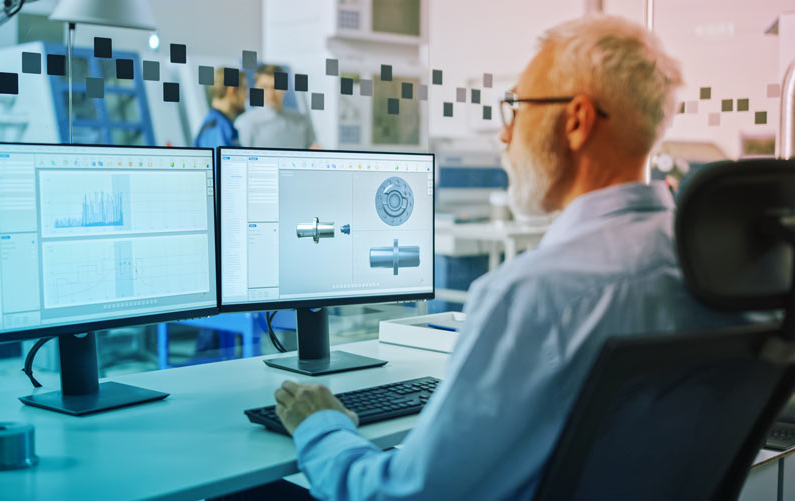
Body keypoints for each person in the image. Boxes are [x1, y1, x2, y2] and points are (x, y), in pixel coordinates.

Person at [271, 15, 748, 500]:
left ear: (577, 121)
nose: (504, 136)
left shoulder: (533, 296)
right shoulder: (719, 271)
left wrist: (322, 425)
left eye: (516, 108)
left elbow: (404, 496)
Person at [234, 64, 318, 149]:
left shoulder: (301, 121)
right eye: (264, 87)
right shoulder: (245, 123)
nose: (270, 93)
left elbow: (313, 149)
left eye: (275, 87)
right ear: (256, 88)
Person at [195, 67, 246, 149]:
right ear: (232, 90)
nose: (246, 96)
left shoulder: (223, 125)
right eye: (244, 89)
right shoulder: (216, 128)